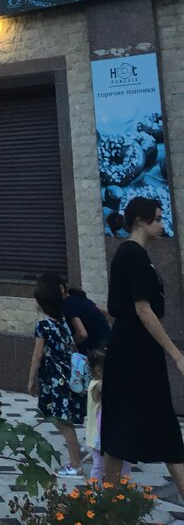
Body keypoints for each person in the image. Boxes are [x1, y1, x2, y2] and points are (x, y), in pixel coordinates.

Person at [102, 197, 184, 499]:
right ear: (140, 220)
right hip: (136, 350)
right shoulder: (133, 254)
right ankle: (108, 507)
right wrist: (176, 354)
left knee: (126, 426)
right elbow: (143, 309)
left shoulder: (134, 254)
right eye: (158, 219)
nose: (162, 224)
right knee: (145, 425)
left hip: (132, 348)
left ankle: (107, 507)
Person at [28, 274, 86, 477]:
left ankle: (75, 464)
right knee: (63, 420)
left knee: (63, 422)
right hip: (68, 377)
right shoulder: (62, 322)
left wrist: (31, 379)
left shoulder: (43, 326)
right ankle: (76, 456)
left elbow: (37, 355)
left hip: (55, 381)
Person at [85, 346, 132, 482]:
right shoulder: (96, 385)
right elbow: (106, 388)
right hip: (98, 437)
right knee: (99, 465)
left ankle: (124, 487)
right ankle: (94, 490)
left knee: (125, 463)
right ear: (99, 370)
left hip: (108, 433)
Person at [38, 272, 111, 354]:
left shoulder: (67, 304)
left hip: (96, 350)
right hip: (107, 343)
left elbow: (82, 333)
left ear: (61, 288)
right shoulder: (78, 298)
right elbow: (104, 311)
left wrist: (69, 344)